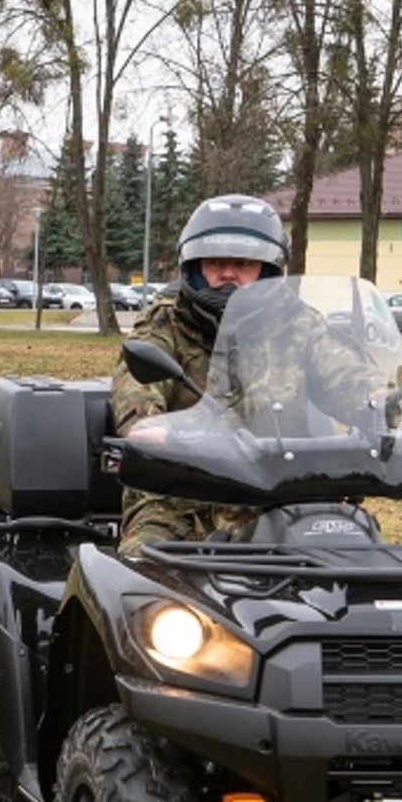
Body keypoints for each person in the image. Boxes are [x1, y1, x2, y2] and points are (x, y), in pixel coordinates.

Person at [109, 194, 291, 556]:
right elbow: (136, 381)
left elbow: (348, 374)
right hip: (178, 494)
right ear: (194, 267)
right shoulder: (165, 322)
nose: (228, 274)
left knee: (354, 561)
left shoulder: (297, 324)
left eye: (242, 264)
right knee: (143, 570)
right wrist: (148, 426)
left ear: (267, 270)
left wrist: (393, 409)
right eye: (216, 263)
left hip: (281, 492)